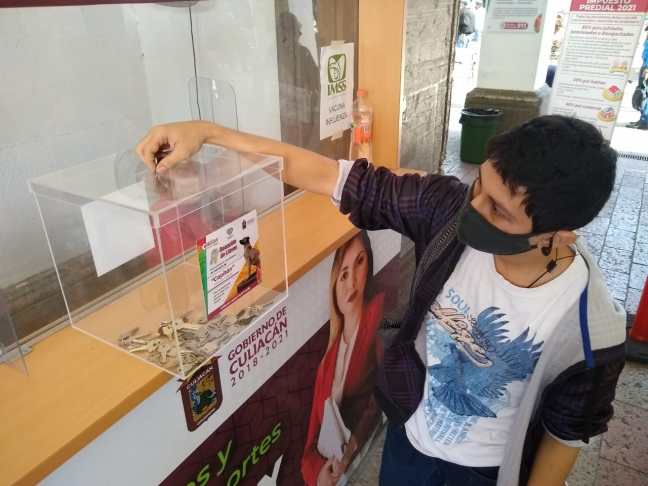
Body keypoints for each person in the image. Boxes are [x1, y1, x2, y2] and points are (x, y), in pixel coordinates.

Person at [136, 114, 625, 486]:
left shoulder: (588, 328)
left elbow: (567, 433)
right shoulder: (446, 208)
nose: (473, 208)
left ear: (559, 235)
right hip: (408, 437)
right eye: (480, 184)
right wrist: (210, 132)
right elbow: (331, 176)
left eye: (498, 211)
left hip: (484, 471)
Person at [301, 232, 385, 486]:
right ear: (334, 287)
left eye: (359, 262)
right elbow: (309, 447)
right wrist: (319, 475)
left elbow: (384, 391)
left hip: (367, 455)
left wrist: (353, 444)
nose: (351, 283)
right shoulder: (326, 363)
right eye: (343, 274)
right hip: (335, 470)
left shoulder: (379, 316)